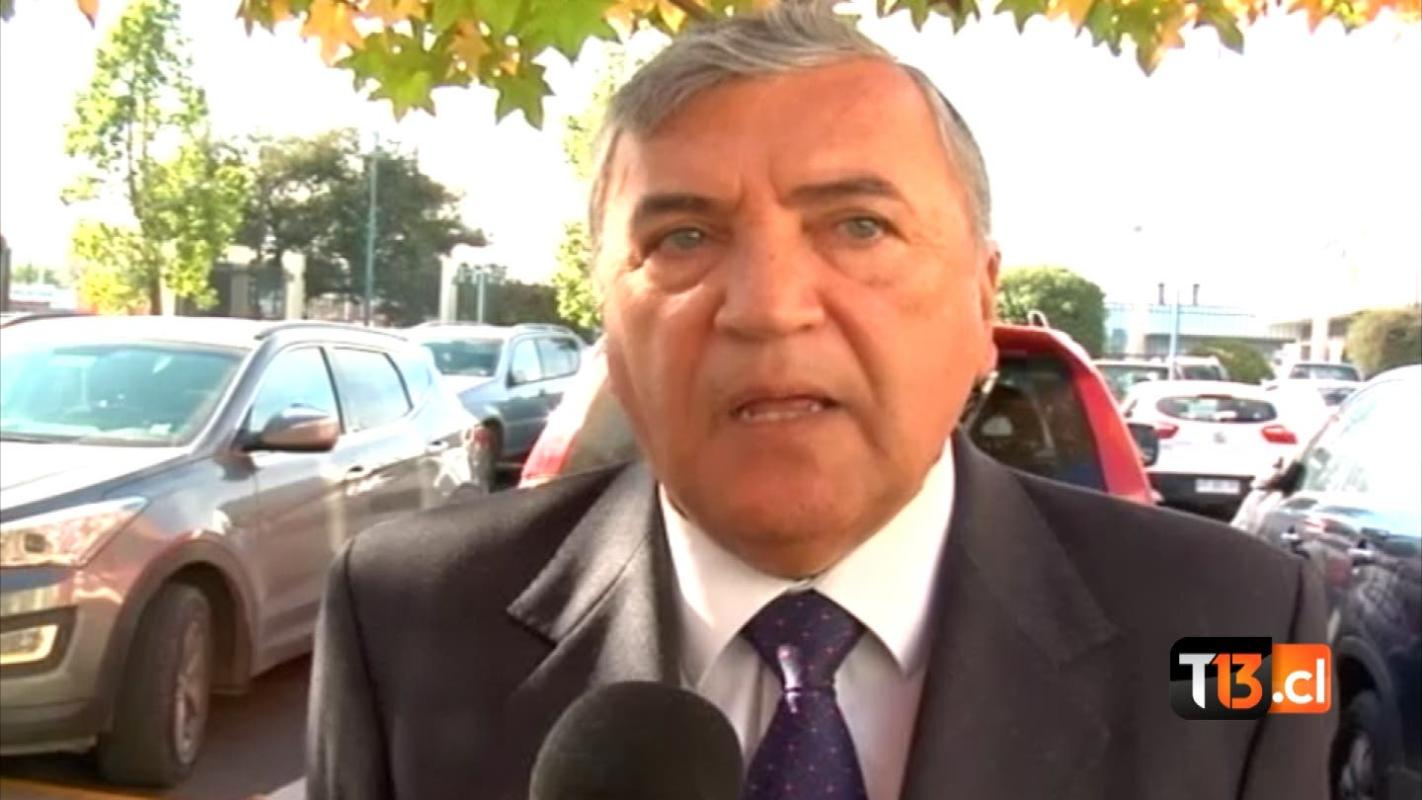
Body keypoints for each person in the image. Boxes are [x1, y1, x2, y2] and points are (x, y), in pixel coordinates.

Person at [307, 3, 1333, 798]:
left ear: (982, 301)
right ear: (610, 320)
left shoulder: (1250, 627)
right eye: (683, 239)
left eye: (858, 226)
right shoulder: (401, 616)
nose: (767, 307)